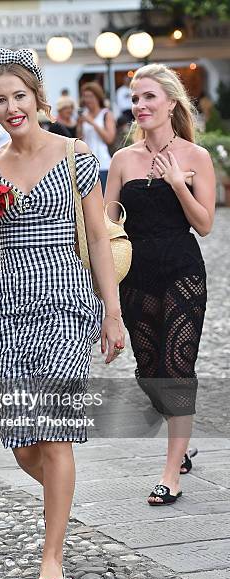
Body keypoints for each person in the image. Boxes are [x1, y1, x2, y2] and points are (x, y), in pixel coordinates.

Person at [0, 48, 124, 579]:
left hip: (68, 306)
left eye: (18, 96)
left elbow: (97, 237)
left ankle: (52, 556)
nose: (10, 108)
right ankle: (63, 500)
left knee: (53, 435)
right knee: (25, 445)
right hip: (11, 311)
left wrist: (111, 314)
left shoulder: (75, 155)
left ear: (37, 97)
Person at [105, 63, 215, 505]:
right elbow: (107, 228)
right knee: (151, 374)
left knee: (176, 369)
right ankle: (181, 439)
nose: (141, 105)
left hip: (182, 273)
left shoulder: (195, 157)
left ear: (171, 102)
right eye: (135, 98)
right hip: (136, 279)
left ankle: (171, 473)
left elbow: (204, 224)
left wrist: (177, 184)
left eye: (149, 97)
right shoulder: (122, 160)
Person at [77, 81, 116, 193]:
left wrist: (91, 122)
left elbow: (109, 138)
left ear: (98, 97)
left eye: (90, 96)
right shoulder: (83, 114)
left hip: (103, 165)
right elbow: (80, 140)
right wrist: (79, 125)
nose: (87, 100)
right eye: (84, 96)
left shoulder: (106, 114)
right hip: (86, 166)